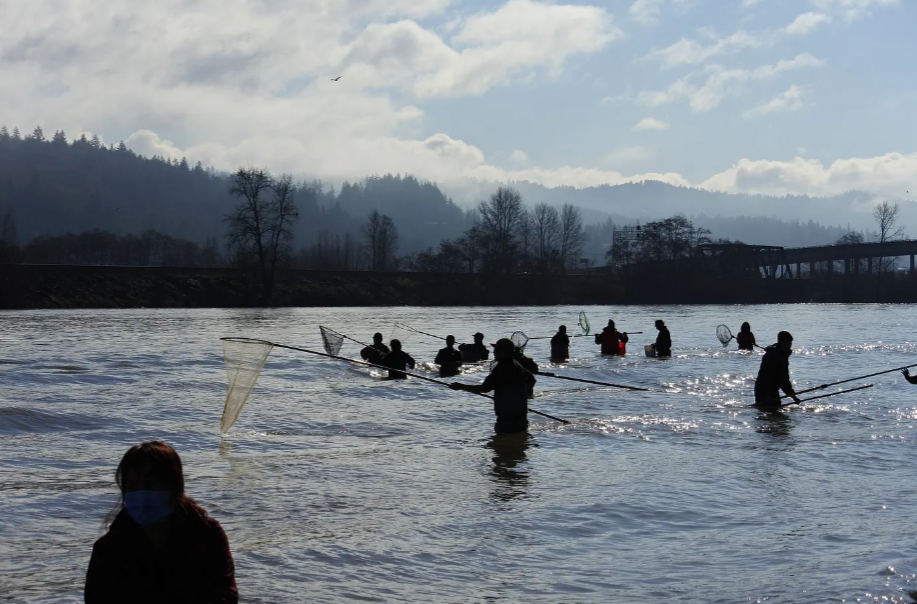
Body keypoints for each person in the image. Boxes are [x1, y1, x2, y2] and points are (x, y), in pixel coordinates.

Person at [85, 441, 238, 604]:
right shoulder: (109, 548)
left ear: (174, 486)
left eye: (150, 485)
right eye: (132, 486)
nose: (141, 493)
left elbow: (225, 595)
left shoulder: (207, 534)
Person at [450, 338, 536, 434]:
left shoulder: (501, 369)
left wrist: (461, 386)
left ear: (505, 352)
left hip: (507, 422)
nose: (494, 352)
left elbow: (484, 388)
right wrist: (522, 397)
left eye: (497, 350)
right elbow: (532, 380)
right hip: (521, 418)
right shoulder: (516, 364)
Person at [754, 331, 801, 411]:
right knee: (770, 412)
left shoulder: (775, 353)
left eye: (791, 342)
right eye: (788, 342)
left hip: (770, 389)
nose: (790, 345)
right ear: (782, 342)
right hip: (764, 390)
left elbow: (783, 380)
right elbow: (783, 380)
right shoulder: (778, 357)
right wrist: (794, 397)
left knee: (776, 416)